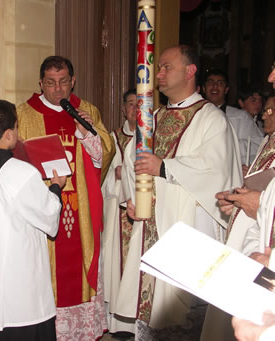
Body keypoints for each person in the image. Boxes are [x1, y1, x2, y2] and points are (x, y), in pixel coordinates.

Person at [119, 45, 242, 339]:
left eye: (166, 67)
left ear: (190, 71)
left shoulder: (210, 119)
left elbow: (215, 168)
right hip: (153, 223)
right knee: (152, 314)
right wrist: (132, 200)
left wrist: (163, 166)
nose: (158, 74)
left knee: (185, 315)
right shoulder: (154, 117)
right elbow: (130, 158)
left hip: (189, 226)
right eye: (158, 68)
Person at [16, 55, 115, 341]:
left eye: (63, 82)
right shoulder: (23, 114)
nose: (58, 90)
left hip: (80, 207)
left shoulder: (88, 111)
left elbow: (105, 154)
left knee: (80, 269)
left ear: (72, 81)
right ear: (40, 83)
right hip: (43, 205)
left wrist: (87, 134)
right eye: (50, 82)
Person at [0, 99, 66, 341]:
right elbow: (48, 214)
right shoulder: (22, 172)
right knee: (20, 318)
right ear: (9, 134)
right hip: (16, 273)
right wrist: (56, 188)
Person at [201, 94, 275, 341]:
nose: (265, 114)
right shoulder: (269, 141)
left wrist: (259, 203)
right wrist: (240, 201)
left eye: (271, 111)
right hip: (255, 240)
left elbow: (267, 200)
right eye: (265, 110)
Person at [101, 88, 137, 334]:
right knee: (118, 262)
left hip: (144, 214)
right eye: (131, 104)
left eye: (140, 104)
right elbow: (108, 177)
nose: (136, 109)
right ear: (123, 109)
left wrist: (124, 173)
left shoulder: (152, 137)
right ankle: (118, 323)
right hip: (118, 213)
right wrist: (123, 176)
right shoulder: (113, 138)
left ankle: (137, 323)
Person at [202, 69, 263, 168]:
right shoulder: (193, 115)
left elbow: (258, 145)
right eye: (210, 82)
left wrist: (226, 145)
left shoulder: (241, 116)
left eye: (220, 83)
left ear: (226, 89)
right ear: (203, 89)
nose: (215, 86)